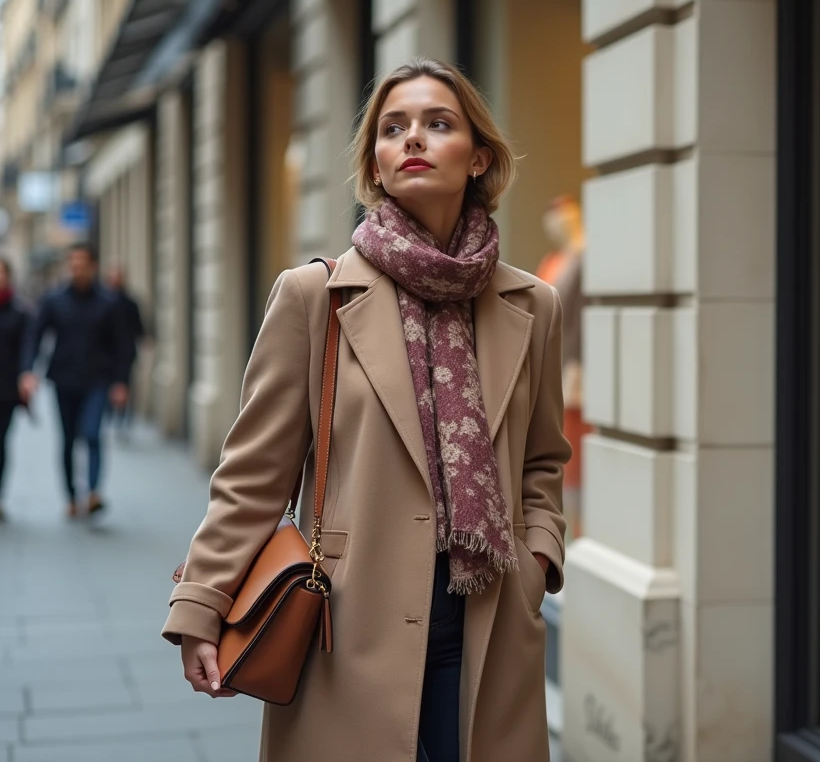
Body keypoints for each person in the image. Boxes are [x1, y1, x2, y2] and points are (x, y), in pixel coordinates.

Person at [164, 57, 570, 762]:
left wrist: (538, 558)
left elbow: (542, 460)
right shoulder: (314, 296)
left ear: (477, 157)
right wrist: (202, 604)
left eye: (437, 124)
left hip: (489, 624)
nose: (412, 138)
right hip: (347, 624)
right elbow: (253, 476)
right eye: (393, 128)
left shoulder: (531, 306)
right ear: (377, 166)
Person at [21, 243, 130, 518]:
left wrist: (120, 382)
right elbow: (36, 335)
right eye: (72, 263)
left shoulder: (109, 302)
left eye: (81, 263)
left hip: (98, 380)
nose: (76, 268)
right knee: (68, 439)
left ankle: (93, 493)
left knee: (92, 434)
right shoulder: (54, 299)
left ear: (93, 266)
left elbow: (122, 345)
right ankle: (71, 496)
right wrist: (29, 370)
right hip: (64, 379)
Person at [0, 257, 30, 522]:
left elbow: (26, 350)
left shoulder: (19, 313)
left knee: (0, 442)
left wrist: (26, 376)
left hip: (6, 390)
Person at [105, 265, 145, 440]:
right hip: (106, 354)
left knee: (125, 386)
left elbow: (139, 327)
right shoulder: (103, 301)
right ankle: (111, 414)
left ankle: (122, 419)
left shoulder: (130, 303)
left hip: (126, 352)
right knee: (108, 385)